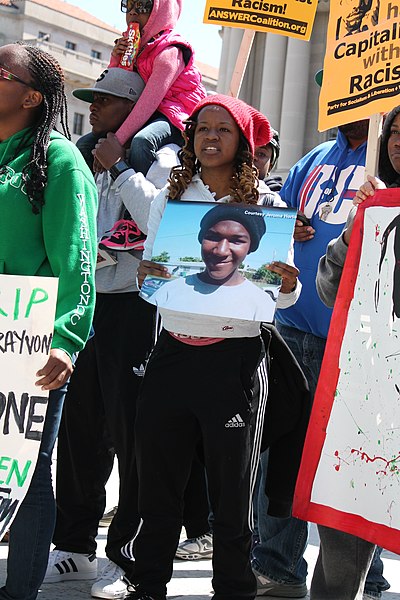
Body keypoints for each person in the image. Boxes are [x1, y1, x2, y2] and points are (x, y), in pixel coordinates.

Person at [124, 94, 301, 600]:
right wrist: (148, 275)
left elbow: (283, 299)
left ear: (243, 142)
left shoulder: (267, 208)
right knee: (156, 489)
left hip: (235, 364)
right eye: (202, 128)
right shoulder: (170, 198)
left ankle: (231, 590)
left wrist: (284, 282)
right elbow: (150, 286)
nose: (210, 136)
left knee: (231, 498)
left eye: (223, 129)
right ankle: (148, 586)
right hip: (172, 354)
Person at [44, 68, 180, 600]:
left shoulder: (159, 155)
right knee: (78, 431)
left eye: (104, 99)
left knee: (132, 434)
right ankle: (73, 546)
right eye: (90, 100)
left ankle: (127, 556)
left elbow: (164, 221)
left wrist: (121, 169)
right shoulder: (80, 155)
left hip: (137, 309)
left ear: (134, 106)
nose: (94, 108)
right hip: (88, 303)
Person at [252, 115, 390, 600]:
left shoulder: (382, 164)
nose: (353, 106)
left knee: (355, 467)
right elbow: (275, 226)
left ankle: (366, 578)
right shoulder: (311, 160)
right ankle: (276, 566)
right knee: (284, 455)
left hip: (360, 350)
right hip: (295, 330)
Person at [0, 42, 97, 600]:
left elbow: (77, 258)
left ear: (33, 96)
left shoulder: (61, 163)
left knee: (27, 472)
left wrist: (67, 339)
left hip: (31, 337)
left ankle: (20, 590)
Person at [78, 0, 206, 176]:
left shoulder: (170, 52)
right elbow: (115, 88)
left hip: (176, 115)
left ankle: (140, 195)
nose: (132, 13)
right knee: (86, 144)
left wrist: (117, 141)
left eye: (142, 7)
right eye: (128, 6)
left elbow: (148, 103)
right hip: (148, 112)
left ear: (162, 12)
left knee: (141, 141)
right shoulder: (136, 44)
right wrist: (116, 59)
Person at [146, 204, 278, 321]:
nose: (221, 251)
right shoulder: (169, 291)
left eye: (236, 241)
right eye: (213, 238)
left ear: (250, 248)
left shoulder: (261, 303)